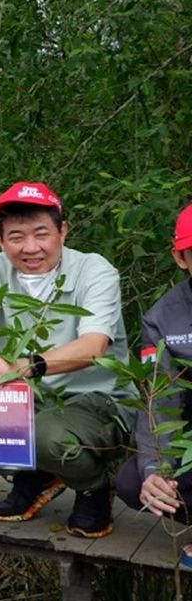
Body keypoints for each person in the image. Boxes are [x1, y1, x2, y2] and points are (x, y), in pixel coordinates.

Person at [0, 181, 130, 538]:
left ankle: (93, 485)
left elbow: (93, 347)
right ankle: (37, 474)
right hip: (33, 400)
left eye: (41, 233)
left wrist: (22, 366)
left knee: (46, 437)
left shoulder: (94, 270)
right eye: (16, 237)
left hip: (97, 401)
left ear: (63, 231)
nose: (30, 248)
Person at [116, 203, 192, 566]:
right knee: (133, 483)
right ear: (180, 258)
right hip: (188, 438)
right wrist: (154, 471)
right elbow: (158, 399)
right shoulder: (163, 317)